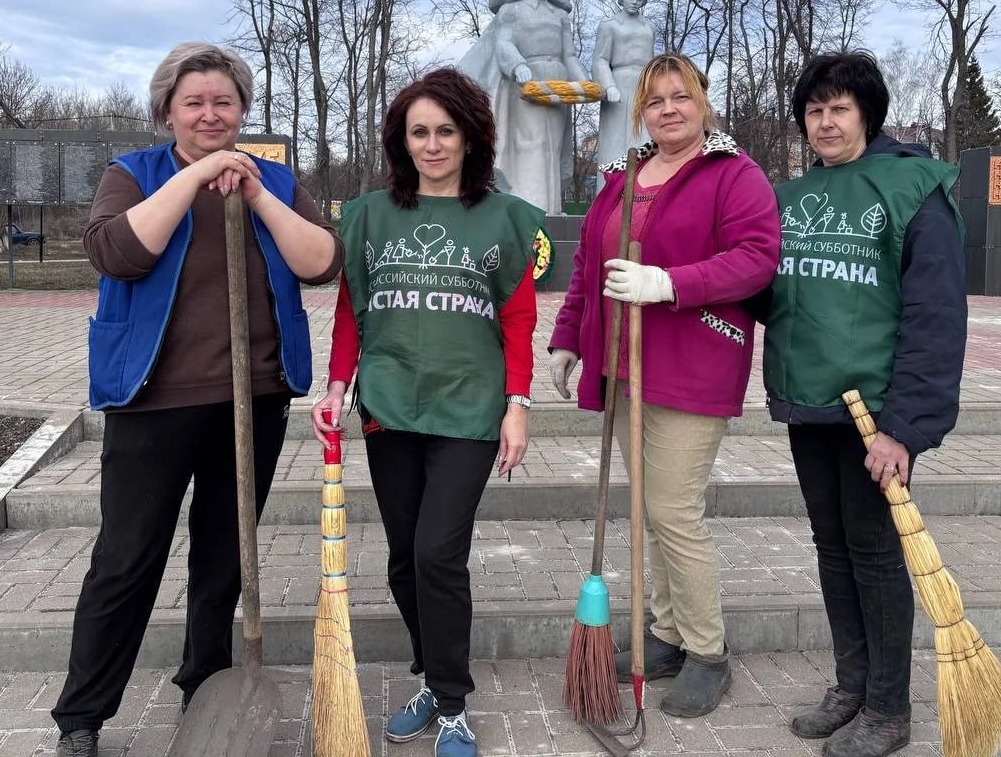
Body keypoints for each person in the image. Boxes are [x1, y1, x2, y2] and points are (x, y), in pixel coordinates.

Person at [50, 42, 342, 757]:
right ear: (167, 112)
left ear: (242, 108)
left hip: (253, 399)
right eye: (194, 103)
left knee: (224, 557)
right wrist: (199, 176)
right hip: (153, 399)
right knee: (126, 556)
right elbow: (119, 251)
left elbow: (322, 262)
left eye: (224, 102)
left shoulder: (271, 177)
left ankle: (206, 692)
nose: (211, 114)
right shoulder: (133, 175)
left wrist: (256, 195)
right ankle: (82, 718)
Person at [312, 68, 543, 757]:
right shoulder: (370, 215)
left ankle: (452, 704)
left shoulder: (505, 217)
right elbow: (353, 307)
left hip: (470, 410)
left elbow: (520, 315)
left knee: (439, 555)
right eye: (420, 132)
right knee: (405, 563)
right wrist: (336, 384)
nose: (434, 144)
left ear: (472, 137)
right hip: (390, 407)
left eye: (447, 130)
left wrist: (518, 404)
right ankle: (433, 677)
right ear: (401, 140)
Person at [547, 53, 780, 718]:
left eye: (682, 96)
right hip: (622, 365)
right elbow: (589, 264)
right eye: (655, 100)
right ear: (641, 111)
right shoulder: (622, 178)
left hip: (692, 362)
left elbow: (758, 258)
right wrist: (568, 336)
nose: (669, 109)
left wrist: (671, 284)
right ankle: (667, 637)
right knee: (650, 508)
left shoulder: (733, 176)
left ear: (703, 101)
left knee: (674, 511)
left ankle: (707, 651)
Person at [762, 51, 966, 757]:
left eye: (839, 108)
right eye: (814, 110)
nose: (825, 121)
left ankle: (888, 708)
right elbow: (767, 291)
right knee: (832, 548)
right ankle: (850, 685)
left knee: (877, 556)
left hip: (876, 415)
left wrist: (904, 429)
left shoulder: (912, 187)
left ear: (867, 113)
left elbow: (935, 317)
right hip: (811, 404)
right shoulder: (788, 199)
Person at [457, 0, 590, 215]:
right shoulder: (513, 10)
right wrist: (518, 65)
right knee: (531, 142)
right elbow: (504, 43)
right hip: (527, 79)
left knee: (553, 145)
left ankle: (551, 207)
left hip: (557, 81)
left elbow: (570, 55)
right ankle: (530, 205)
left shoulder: (560, 14)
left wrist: (584, 83)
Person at [591, 0, 656, 175]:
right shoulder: (609, 25)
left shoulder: (649, 27)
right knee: (615, 138)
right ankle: (610, 189)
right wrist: (609, 86)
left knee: (644, 136)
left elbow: (651, 58)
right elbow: (600, 60)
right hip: (618, 83)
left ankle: (643, 186)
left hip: (645, 83)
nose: (635, 1)